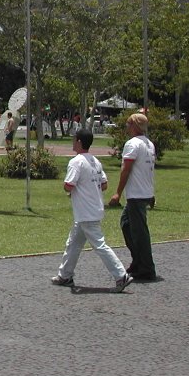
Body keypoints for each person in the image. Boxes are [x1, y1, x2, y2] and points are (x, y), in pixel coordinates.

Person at [51, 129, 133, 292]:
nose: (73, 142)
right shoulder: (95, 161)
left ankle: (120, 275)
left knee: (100, 245)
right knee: (73, 243)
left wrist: (72, 189)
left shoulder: (76, 162)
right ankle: (65, 275)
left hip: (85, 211)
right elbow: (104, 184)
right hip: (91, 209)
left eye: (74, 139)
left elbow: (69, 185)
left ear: (79, 141)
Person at [108, 112, 158, 281]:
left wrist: (117, 193)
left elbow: (126, 169)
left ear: (136, 126)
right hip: (143, 193)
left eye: (129, 124)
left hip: (136, 195)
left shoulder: (132, 144)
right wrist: (151, 193)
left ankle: (146, 268)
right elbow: (149, 170)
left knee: (139, 232)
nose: (127, 127)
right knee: (126, 224)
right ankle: (138, 261)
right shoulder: (149, 144)